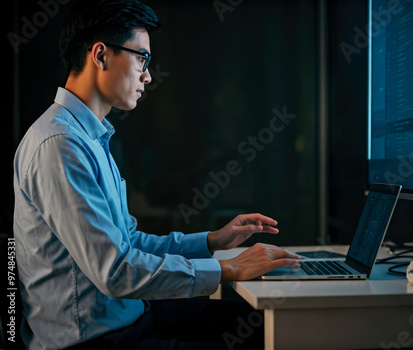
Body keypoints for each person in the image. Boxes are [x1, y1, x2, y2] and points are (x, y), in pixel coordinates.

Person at [12, 1, 301, 349]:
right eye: (141, 58)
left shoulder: (87, 137)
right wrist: (229, 269)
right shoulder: (60, 146)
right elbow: (115, 272)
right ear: (101, 55)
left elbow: (129, 243)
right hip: (93, 341)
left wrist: (211, 242)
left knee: (271, 327)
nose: (148, 75)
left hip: (131, 316)